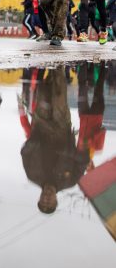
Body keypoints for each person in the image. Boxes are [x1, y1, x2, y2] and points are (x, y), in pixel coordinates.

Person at [20, 67, 90, 214]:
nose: (46, 198)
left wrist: (32, 143)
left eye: (43, 200)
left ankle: (48, 65)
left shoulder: (32, 175)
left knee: (44, 91)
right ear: (56, 201)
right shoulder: (70, 181)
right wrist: (69, 152)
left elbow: (24, 153)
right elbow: (84, 160)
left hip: (41, 127)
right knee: (59, 94)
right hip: (62, 128)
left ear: (39, 198)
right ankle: (58, 65)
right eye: (49, 202)